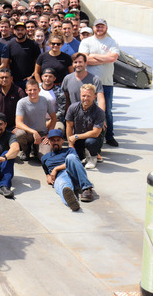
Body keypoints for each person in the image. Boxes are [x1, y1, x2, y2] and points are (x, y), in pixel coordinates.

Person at [79, 18, 119, 147]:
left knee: (107, 111)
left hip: (106, 82)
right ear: (94, 28)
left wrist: (94, 56)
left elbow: (113, 57)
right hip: (88, 84)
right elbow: (84, 59)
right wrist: (105, 59)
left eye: (102, 26)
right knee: (85, 109)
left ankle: (109, 136)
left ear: (106, 28)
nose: (99, 29)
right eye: (97, 26)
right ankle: (86, 136)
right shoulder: (87, 41)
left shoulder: (112, 42)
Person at [41, 129, 95, 211]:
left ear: (63, 141)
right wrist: (48, 177)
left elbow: (75, 162)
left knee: (71, 157)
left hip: (73, 173)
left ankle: (87, 188)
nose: (55, 142)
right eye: (53, 140)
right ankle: (71, 202)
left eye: (58, 140)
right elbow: (47, 172)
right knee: (64, 186)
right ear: (49, 141)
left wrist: (56, 168)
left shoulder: (70, 150)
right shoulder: (44, 158)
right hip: (60, 177)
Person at [14, 79, 57, 161]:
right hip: (28, 134)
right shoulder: (21, 102)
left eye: (35, 89)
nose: (32, 92)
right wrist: (33, 132)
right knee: (19, 134)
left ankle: (36, 150)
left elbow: (54, 118)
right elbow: (18, 123)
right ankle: (26, 151)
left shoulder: (46, 100)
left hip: (42, 134)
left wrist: (49, 134)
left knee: (45, 158)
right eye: (30, 90)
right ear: (26, 91)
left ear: (39, 90)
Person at [66, 84, 105, 169]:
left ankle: (93, 157)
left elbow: (95, 133)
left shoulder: (99, 112)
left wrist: (76, 136)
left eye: (89, 96)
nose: (86, 98)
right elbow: (69, 126)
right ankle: (84, 155)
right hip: (78, 139)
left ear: (94, 96)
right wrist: (70, 144)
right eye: (83, 96)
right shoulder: (72, 108)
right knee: (75, 159)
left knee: (91, 142)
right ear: (80, 95)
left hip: (92, 139)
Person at [6, 21, 40, 89]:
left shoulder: (33, 44)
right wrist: (10, 77)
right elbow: (7, 63)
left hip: (29, 80)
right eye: (18, 30)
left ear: (26, 31)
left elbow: (38, 62)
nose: (20, 32)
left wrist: (32, 76)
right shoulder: (10, 44)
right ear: (14, 31)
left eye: (22, 30)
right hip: (14, 81)